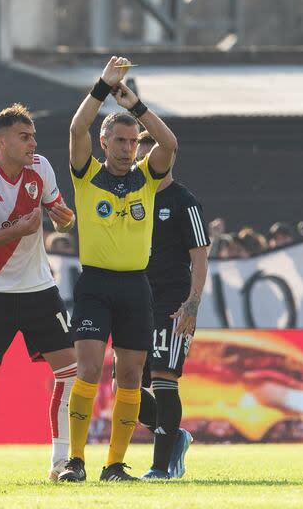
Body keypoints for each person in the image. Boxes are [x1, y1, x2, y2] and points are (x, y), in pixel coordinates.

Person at [59, 56, 178, 483]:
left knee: (129, 376)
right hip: (95, 284)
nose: (129, 149)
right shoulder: (86, 175)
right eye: (122, 141)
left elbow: (170, 144)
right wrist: (102, 87)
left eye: (133, 142)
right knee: (89, 370)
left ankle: (114, 466)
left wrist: (138, 105)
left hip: (134, 287)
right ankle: (75, 460)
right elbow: (76, 130)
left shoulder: (147, 177)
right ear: (104, 143)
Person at [0, 104, 78, 484]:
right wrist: (18, 230)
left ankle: (61, 462)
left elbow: (59, 210)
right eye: (25, 137)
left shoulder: (40, 167)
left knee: (70, 373)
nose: (33, 143)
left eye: (34, 136)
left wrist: (63, 215)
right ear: (2, 141)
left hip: (40, 288)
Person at [127, 130, 210, 480]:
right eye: (142, 159)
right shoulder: (131, 197)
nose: (149, 165)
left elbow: (201, 256)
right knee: (126, 386)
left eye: (154, 158)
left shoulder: (184, 201)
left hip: (172, 303)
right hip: (133, 300)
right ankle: (175, 435)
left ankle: (161, 468)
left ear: (168, 160)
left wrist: (192, 304)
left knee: (164, 377)